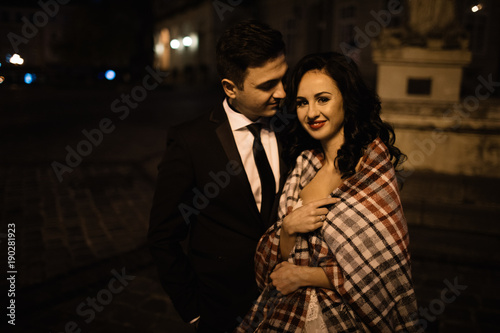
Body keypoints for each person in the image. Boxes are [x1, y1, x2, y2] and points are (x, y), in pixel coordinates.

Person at [237, 52, 421, 332]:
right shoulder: (304, 165)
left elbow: (384, 270)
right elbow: (275, 262)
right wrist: (288, 228)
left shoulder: (371, 166)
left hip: (343, 319)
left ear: (347, 100)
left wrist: (306, 276)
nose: (311, 113)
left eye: (323, 99)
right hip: (287, 312)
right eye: (302, 102)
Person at [148, 20, 288, 333]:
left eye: (282, 78)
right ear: (230, 88)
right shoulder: (190, 140)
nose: (281, 92)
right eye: (267, 85)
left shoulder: (293, 128)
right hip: (222, 311)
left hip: (288, 303)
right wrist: (193, 310)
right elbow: (162, 234)